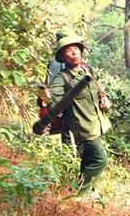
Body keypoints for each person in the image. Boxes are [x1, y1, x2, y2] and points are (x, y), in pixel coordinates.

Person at [48, 33, 112, 194]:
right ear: (63, 56)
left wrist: (104, 97)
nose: (74, 53)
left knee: (89, 158)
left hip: (96, 121)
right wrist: (47, 99)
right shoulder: (62, 78)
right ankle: (81, 193)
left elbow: (97, 87)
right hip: (83, 126)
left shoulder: (86, 69)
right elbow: (54, 104)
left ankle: (86, 189)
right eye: (69, 50)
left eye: (76, 49)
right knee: (100, 160)